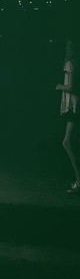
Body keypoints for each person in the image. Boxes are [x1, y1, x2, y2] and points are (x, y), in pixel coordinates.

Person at [56, 37, 79, 193]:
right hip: (75, 105)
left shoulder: (69, 64)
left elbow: (70, 87)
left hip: (72, 105)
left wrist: (59, 86)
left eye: (68, 47)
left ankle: (79, 180)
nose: (66, 49)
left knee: (67, 142)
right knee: (69, 141)